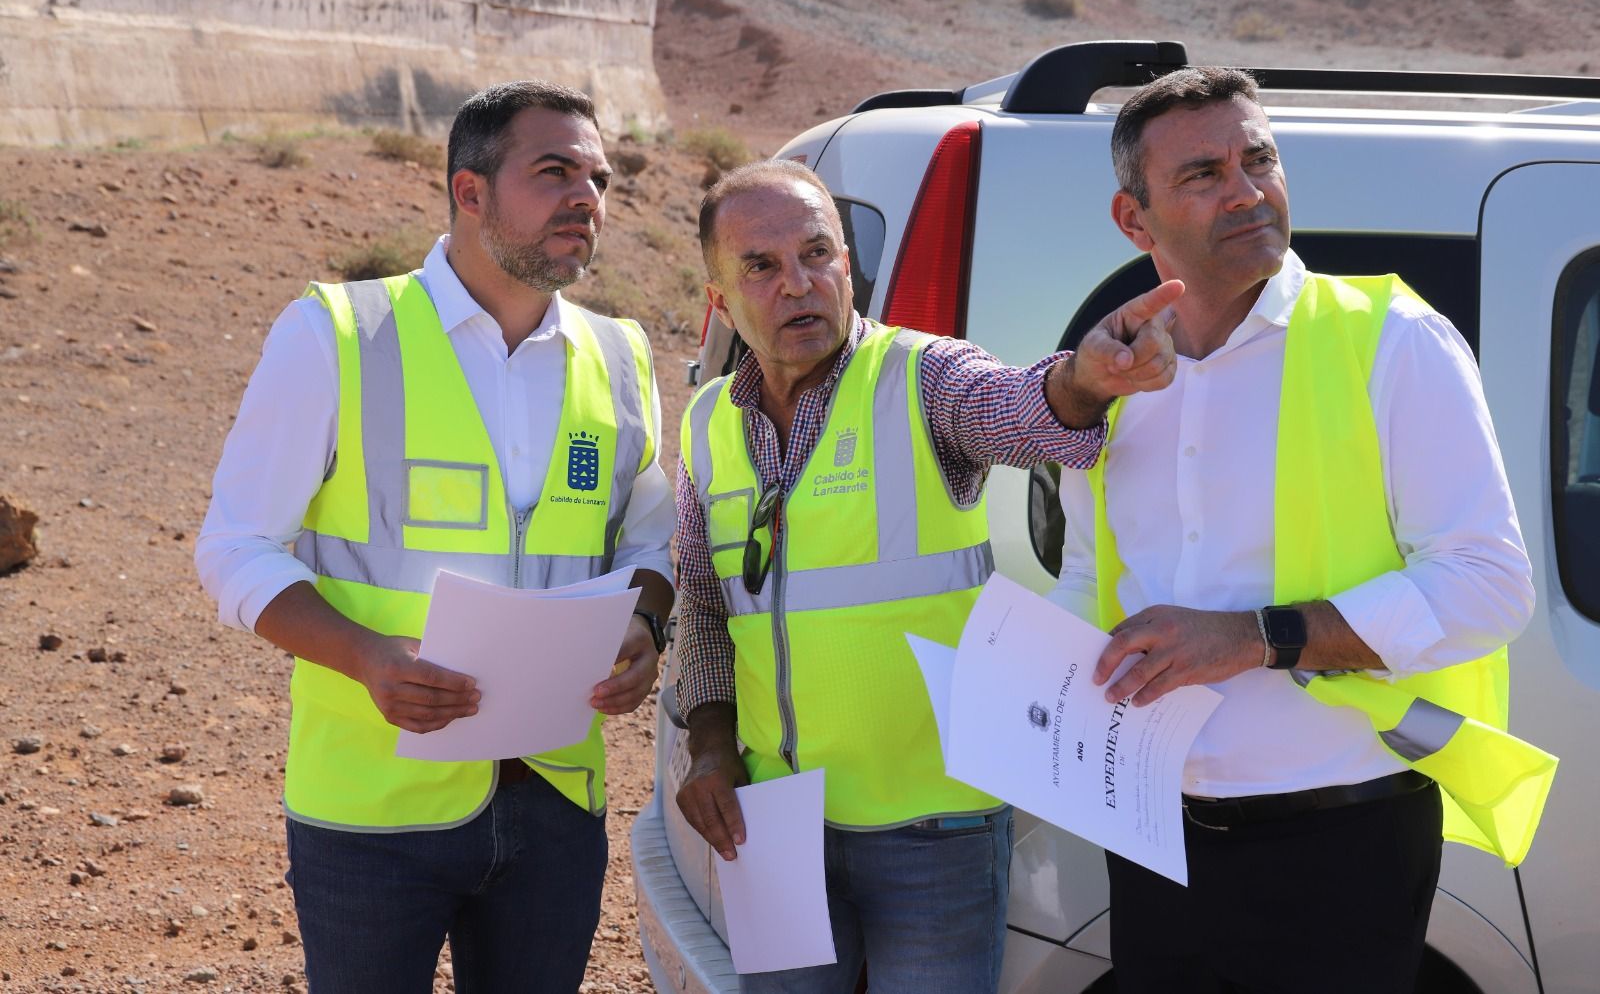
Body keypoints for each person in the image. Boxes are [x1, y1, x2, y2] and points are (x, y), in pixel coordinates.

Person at [1050, 66, 1548, 993]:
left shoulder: (1393, 338)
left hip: (1343, 844)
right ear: (1135, 220)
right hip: (1154, 835)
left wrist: (1254, 639)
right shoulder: (1117, 380)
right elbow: (1091, 579)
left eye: (1260, 158)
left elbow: (1489, 584)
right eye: (1202, 174)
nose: (1246, 190)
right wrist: (1022, 696)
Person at [194, 80, 675, 993]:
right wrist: (370, 657)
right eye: (554, 172)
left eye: (600, 178)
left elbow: (649, 544)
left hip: (557, 804)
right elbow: (234, 547)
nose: (588, 198)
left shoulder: (620, 355)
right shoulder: (338, 334)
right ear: (469, 192)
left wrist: (648, 626)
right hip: (372, 810)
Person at [673, 158, 1182, 992]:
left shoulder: (922, 378)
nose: (799, 284)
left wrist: (1083, 382)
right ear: (721, 298)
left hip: (933, 830)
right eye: (761, 267)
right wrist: (711, 747)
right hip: (775, 824)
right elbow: (703, 604)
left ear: (848, 264)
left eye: (818, 255)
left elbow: (1020, 409)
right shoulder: (705, 424)